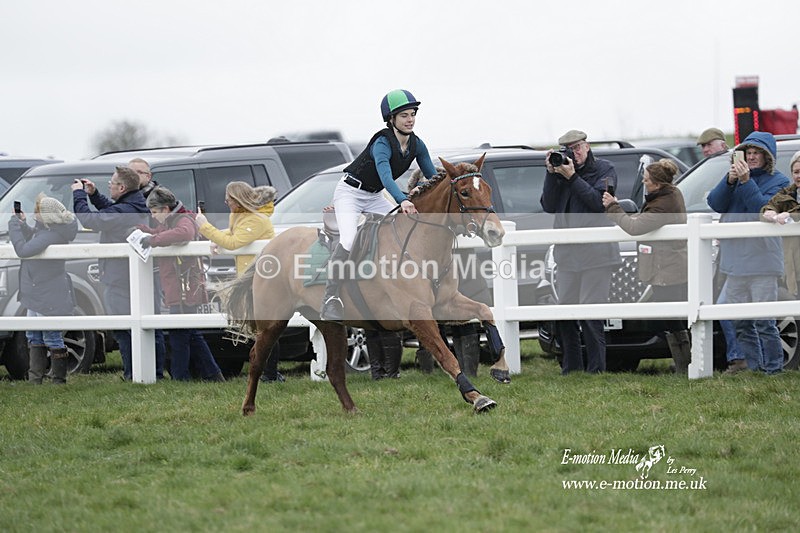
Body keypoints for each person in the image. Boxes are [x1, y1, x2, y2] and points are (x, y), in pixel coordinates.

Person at [320, 89, 438, 321]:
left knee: (405, 228)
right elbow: (386, 177)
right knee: (348, 239)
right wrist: (402, 199)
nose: (410, 119)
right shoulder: (382, 143)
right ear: (391, 119)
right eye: (404, 115)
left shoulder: (418, 145)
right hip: (350, 193)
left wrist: (423, 190)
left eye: (412, 113)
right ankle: (330, 297)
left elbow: (433, 177)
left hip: (374, 196)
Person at [707, 131, 789, 375]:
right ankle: (754, 368)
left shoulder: (780, 182)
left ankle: (773, 371)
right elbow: (715, 203)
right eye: (748, 153)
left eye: (757, 153)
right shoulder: (736, 178)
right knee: (735, 319)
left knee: (764, 322)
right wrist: (729, 181)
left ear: (767, 158)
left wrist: (745, 181)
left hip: (762, 261)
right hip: (734, 262)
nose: (751, 157)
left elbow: (761, 209)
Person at [541, 129, 621, 374]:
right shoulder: (561, 171)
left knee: (590, 313)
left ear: (587, 146)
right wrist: (551, 174)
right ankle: (572, 369)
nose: (573, 154)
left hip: (596, 255)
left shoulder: (604, 169)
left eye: (577, 148)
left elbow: (598, 204)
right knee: (564, 313)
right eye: (568, 149)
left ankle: (596, 370)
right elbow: (549, 205)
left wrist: (573, 177)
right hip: (567, 255)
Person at [603, 159, 690, 374]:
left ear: (658, 184)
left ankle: (684, 365)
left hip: (667, 269)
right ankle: (685, 364)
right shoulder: (671, 194)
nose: (644, 183)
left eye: (647, 181)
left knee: (673, 321)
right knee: (673, 319)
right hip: (669, 267)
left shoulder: (662, 205)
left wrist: (613, 206)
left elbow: (634, 227)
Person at [194, 181, 284, 382]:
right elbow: (231, 234)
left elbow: (234, 243)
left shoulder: (256, 219)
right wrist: (216, 238)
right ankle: (268, 373)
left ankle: (270, 373)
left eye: (229, 199)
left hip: (263, 279)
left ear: (238, 199)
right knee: (258, 328)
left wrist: (205, 227)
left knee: (265, 328)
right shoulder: (241, 216)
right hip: (251, 279)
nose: (226, 203)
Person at [138, 187, 224, 382]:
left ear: (165, 209)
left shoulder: (183, 220)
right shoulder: (175, 219)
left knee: (180, 334)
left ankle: (181, 376)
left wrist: (152, 239)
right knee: (190, 333)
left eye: (154, 212)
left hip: (184, 287)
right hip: (182, 286)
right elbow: (163, 233)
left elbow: (183, 234)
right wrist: (145, 232)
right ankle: (211, 374)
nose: (153, 216)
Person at [72, 166, 149, 381]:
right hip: (125, 278)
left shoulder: (126, 210)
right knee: (134, 328)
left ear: (122, 187)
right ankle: (142, 372)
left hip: (119, 280)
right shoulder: (133, 204)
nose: (109, 185)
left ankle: (133, 374)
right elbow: (114, 211)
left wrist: (78, 194)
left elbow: (90, 220)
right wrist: (95, 195)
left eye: (112, 183)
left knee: (124, 330)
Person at [8, 194, 79, 384]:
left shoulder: (51, 235)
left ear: (47, 216)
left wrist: (14, 227)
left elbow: (24, 250)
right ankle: (36, 379)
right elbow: (34, 237)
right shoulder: (51, 232)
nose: (34, 214)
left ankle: (58, 380)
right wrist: (22, 225)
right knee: (34, 335)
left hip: (47, 293)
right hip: (37, 292)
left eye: (38, 211)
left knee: (52, 336)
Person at [128, 157, 167, 379]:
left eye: (138, 173)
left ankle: (156, 371)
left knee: (153, 321)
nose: (134, 177)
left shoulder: (158, 197)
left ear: (148, 175)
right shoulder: (128, 198)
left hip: (154, 268)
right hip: (136, 266)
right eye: (130, 173)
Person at [761, 150, 800, 297]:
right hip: (793, 268)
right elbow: (768, 206)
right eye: (796, 172)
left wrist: (790, 214)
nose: (799, 176)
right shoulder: (786, 194)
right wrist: (769, 212)